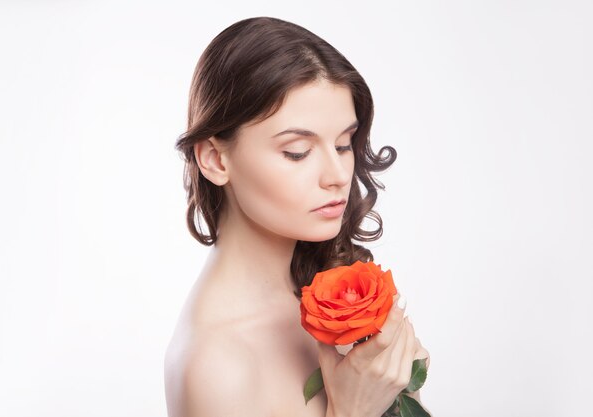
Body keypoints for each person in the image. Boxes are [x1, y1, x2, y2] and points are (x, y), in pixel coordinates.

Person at [164, 16, 430, 417]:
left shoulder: (325, 290)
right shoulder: (217, 366)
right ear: (215, 159)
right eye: (297, 152)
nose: (339, 176)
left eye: (343, 144)